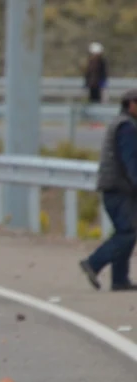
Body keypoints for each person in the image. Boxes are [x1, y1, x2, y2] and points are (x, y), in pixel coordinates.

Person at [80, 89, 137, 292]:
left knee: (126, 231)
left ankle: (120, 279)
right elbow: (131, 162)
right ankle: (93, 263)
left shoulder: (122, 123)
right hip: (118, 189)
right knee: (128, 233)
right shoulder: (127, 127)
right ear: (131, 104)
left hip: (115, 188)